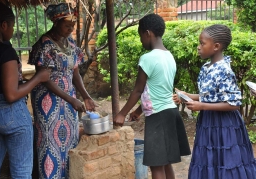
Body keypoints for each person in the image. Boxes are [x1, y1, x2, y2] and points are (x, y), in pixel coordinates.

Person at [113, 13, 191, 179]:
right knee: (166, 162)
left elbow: (138, 90)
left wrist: (121, 113)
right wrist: (138, 111)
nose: (141, 41)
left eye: (141, 36)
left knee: (156, 166)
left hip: (158, 117)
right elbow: (157, 89)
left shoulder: (147, 58)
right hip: (171, 113)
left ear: (148, 33)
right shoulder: (169, 56)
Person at [173, 24, 256, 179]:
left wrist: (202, 106)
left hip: (225, 126)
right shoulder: (206, 67)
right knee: (209, 161)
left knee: (226, 162)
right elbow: (210, 95)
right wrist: (187, 96)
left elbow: (234, 104)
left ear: (216, 46)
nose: (198, 47)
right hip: (208, 123)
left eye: (202, 43)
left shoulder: (224, 70)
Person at [28, 3, 96, 179]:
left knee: (69, 142)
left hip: (69, 101)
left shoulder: (71, 43)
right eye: (67, 26)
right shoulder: (44, 45)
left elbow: (75, 73)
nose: (70, 29)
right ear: (56, 23)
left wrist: (85, 96)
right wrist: (71, 99)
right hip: (47, 103)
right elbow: (45, 78)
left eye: (72, 26)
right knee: (50, 145)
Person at [0, 1, 51, 179]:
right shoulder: (4, 51)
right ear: (3, 25)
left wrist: (26, 80)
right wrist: (39, 78)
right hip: (11, 115)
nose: (13, 30)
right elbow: (11, 94)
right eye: (13, 26)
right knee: (21, 172)